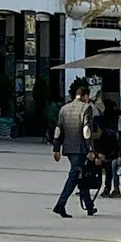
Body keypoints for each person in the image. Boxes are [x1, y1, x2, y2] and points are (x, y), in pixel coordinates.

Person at [51, 78, 98, 218]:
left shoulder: (64, 109)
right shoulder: (86, 108)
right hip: (80, 148)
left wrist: (56, 148)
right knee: (74, 176)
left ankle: (89, 206)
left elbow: (58, 129)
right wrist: (90, 149)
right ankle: (61, 204)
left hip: (69, 147)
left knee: (79, 175)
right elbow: (86, 130)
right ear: (85, 96)